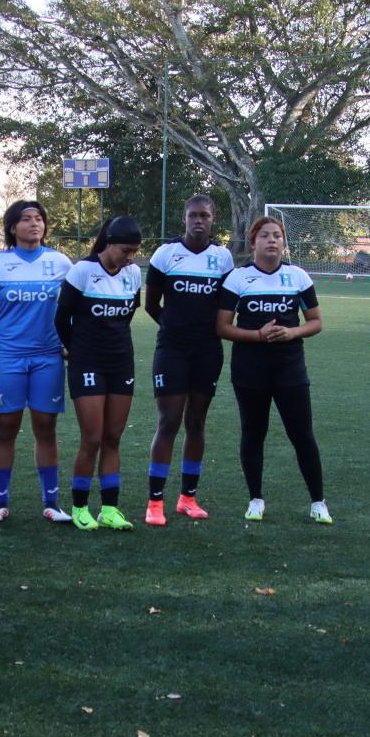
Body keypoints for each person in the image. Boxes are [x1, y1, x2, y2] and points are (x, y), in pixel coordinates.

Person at [215, 217, 330, 523]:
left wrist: (292, 333)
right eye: (264, 235)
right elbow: (222, 327)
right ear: (253, 243)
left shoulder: (297, 277)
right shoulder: (238, 279)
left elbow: (316, 322)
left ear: (284, 243)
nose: (271, 240)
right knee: (253, 434)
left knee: (302, 434)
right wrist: (257, 336)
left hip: (290, 369)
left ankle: (318, 502)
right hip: (249, 370)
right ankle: (255, 499)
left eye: (277, 235)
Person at [0, 199, 71, 523]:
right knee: (6, 427)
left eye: (39, 219)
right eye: (26, 219)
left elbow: (73, 310)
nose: (34, 224)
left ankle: (52, 503)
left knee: (46, 428)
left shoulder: (61, 263)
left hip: (48, 358)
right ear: (13, 226)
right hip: (7, 358)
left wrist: (69, 343)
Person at [143, 195, 231, 527]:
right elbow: (151, 304)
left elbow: (225, 306)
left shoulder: (222, 258)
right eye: (193, 215)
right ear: (184, 218)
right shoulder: (166, 254)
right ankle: (155, 502)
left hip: (208, 350)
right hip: (173, 350)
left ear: (212, 220)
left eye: (204, 215)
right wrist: (175, 328)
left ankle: (187, 498)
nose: (198, 220)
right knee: (169, 422)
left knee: (196, 422)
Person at [55, 216, 144, 530]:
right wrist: (75, 350)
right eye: (125, 250)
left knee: (112, 438)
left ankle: (109, 509)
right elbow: (61, 319)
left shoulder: (133, 274)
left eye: (134, 251)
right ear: (108, 242)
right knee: (91, 438)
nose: (130, 256)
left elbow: (128, 314)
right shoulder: (82, 271)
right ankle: (80, 507)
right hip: (87, 364)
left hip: (121, 363)